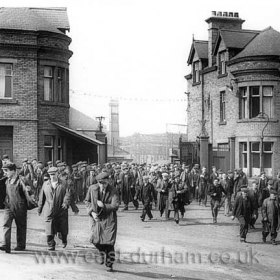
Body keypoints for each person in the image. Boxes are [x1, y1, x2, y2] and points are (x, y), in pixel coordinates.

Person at [85, 172, 119, 272]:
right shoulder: (92, 188)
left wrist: (103, 205)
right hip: (96, 218)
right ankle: (101, 252)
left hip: (109, 218)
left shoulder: (113, 190)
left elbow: (115, 205)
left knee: (109, 242)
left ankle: (109, 264)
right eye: (100, 183)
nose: (102, 185)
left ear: (108, 181)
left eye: (104, 183)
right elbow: (87, 201)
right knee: (95, 240)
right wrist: (92, 212)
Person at [37, 167, 71, 251]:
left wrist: (65, 202)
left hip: (61, 208)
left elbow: (68, 194)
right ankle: (51, 244)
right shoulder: (46, 184)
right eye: (50, 175)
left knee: (62, 227)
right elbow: (42, 197)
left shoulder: (64, 183)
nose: (52, 176)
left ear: (57, 173)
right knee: (49, 227)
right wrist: (40, 208)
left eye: (54, 174)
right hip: (49, 209)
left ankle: (64, 239)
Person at [0, 162, 30, 253]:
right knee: (5, 224)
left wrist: (30, 203)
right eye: (4, 170)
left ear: (13, 171)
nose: (5, 172)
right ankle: (5, 245)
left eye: (6, 171)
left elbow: (29, 193)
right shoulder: (6, 180)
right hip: (8, 206)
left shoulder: (22, 180)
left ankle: (20, 245)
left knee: (20, 226)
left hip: (20, 207)